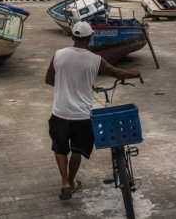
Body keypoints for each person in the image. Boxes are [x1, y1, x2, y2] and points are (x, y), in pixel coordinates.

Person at [45, 21, 141, 200]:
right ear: (89, 38)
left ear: (73, 36)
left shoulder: (58, 55)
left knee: (59, 148)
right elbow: (116, 72)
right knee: (77, 150)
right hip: (82, 115)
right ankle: (72, 181)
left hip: (60, 112)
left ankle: (65, 182)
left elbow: (49, 79)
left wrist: (65, 87)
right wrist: (134, 74)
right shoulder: (95, 59)